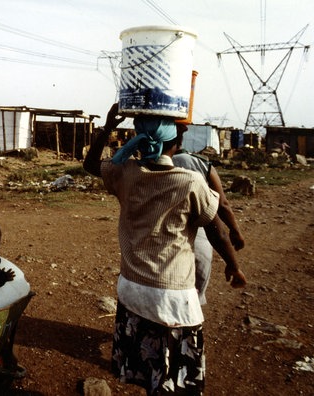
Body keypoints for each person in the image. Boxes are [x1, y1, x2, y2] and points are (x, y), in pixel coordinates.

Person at [83, 104, 247, 395]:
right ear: (175, 146)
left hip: (132, 289)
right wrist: (233, 265)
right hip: (173, 298)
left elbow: (90, 165)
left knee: (148, 367)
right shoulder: (190, 181)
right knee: (175, 377)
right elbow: (217, 230)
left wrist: (108, 127)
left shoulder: (126, 174)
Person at [172, 125, 245, 304]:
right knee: (194, 293)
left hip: (164, 235)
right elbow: (222, 204)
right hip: (199, 235)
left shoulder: (151, 164)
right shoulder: (201, 164)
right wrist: (235, 230)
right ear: (182, 139)